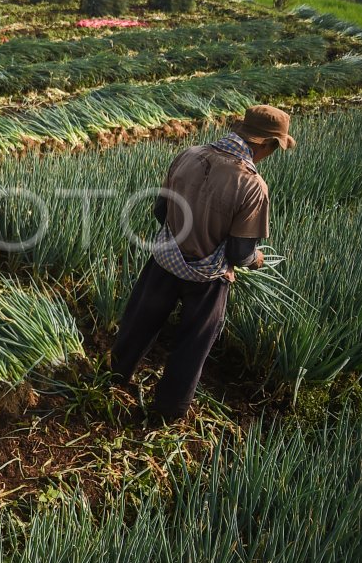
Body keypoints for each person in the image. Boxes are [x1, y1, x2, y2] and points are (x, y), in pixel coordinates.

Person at [109, 105, 296, 420]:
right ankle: (166, 413)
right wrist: (257, 260)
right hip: (206, 280)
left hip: (165, 262)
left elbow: (160, 211)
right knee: (191, 346)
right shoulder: (252, 186)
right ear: (265, 144)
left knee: (139, 323)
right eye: (275, 147)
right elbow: (239, 253)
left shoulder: (189, 155)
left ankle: (113, 377)